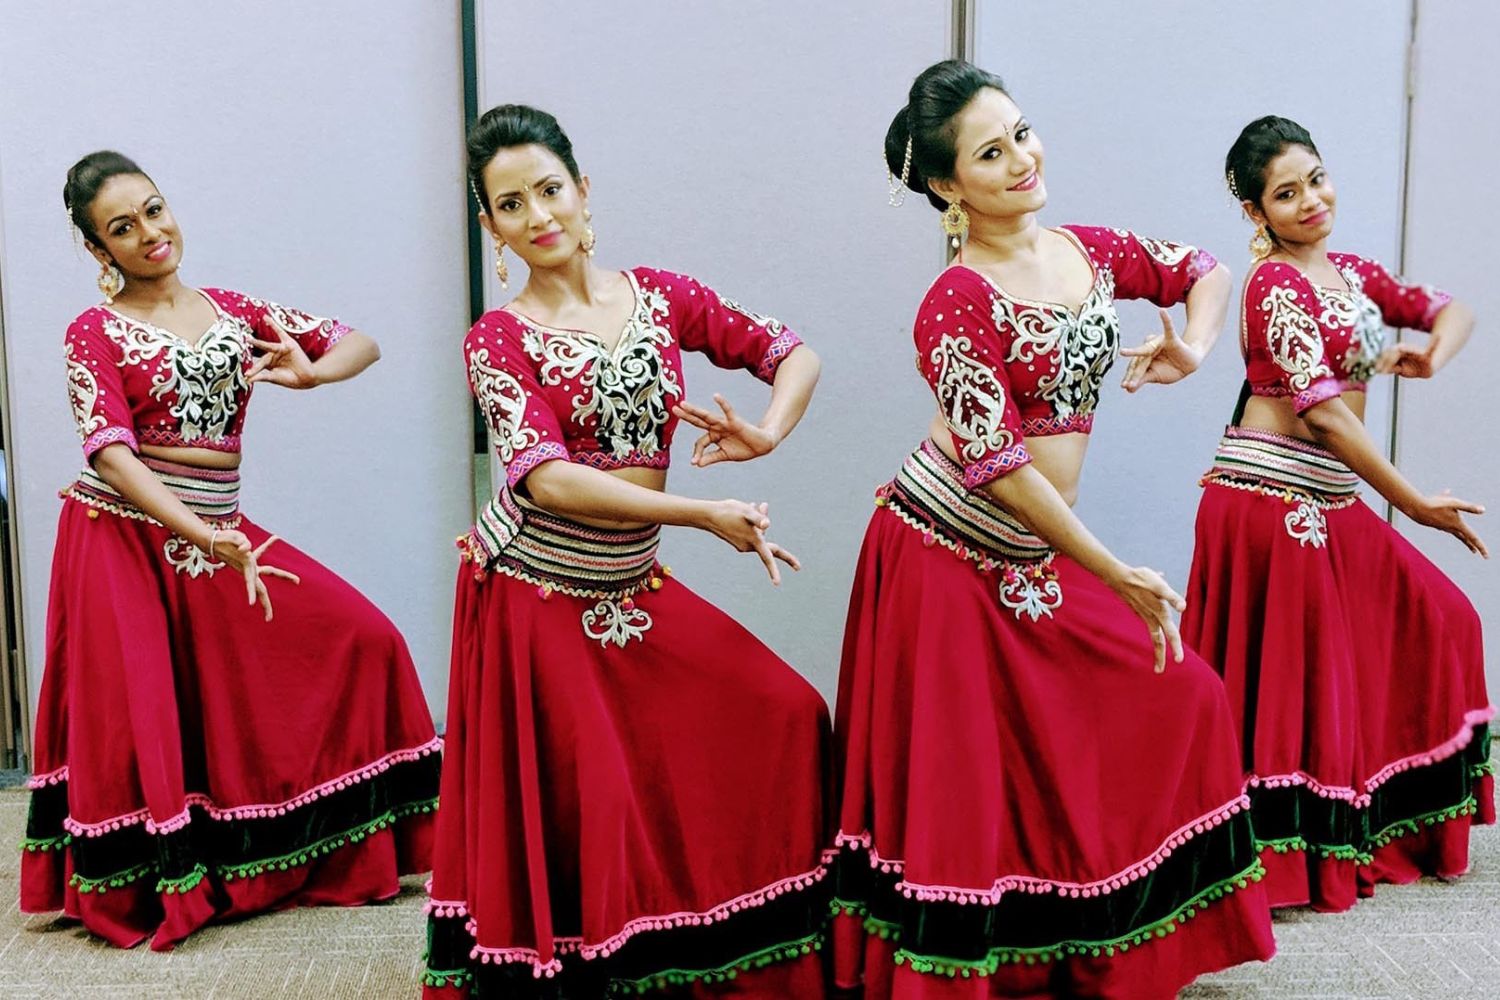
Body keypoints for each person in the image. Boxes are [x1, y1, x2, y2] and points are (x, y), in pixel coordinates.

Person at [831, 61, 1275, 998]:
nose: (1024, 159)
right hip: (943, 551)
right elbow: (995, 462)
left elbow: (1208, 269)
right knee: (970, 780)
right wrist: (1112, 570)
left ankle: (1090, 949)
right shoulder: (955, 301)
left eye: (1022, 133)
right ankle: (972, 968)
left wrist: (1192, 345)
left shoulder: (1088, 252)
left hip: (1031, 546)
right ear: (949, 187)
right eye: (992, 154)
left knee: (1181, 694)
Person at [421, 105, 831, 998]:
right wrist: (696, 511)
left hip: (631, 580)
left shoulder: (662, 297)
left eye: (549, 189)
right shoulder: (497, 339)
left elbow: (793, 352)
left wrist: (764, 431)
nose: (539, 216)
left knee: (788, 713)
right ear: (491, 227)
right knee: (599, 803)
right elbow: (544, 478)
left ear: (583, 188)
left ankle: (719, 952)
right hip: (536, 596)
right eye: (512, 204)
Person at [20, 151, 440, 951]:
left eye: (153, 209)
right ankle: (162, 878)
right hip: (125, 538)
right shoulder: (93, 331)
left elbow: (361, 343)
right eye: (121, 227)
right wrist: (206, 535)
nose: (149, 233)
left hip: (217, 529)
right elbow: (111, 454)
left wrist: (311, 375)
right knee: (149, 708)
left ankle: (308, 856)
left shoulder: (233, 309)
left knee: (365, 636)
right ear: (97, 251)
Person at [1183, 115, 1492, 912]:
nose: (1312, 200)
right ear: (1257, 214)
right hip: (1270, 498)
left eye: (1316, 178)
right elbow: (1320, 412)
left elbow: (1450, 309)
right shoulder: (1272, 285)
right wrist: (1413, 502)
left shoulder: (1351, 274)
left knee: (1446, 617)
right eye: (1286, 194)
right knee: (1297, 676)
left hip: (1328, 493)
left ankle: (1383, 827)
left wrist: (1430, 353)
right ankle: (1283, 858)